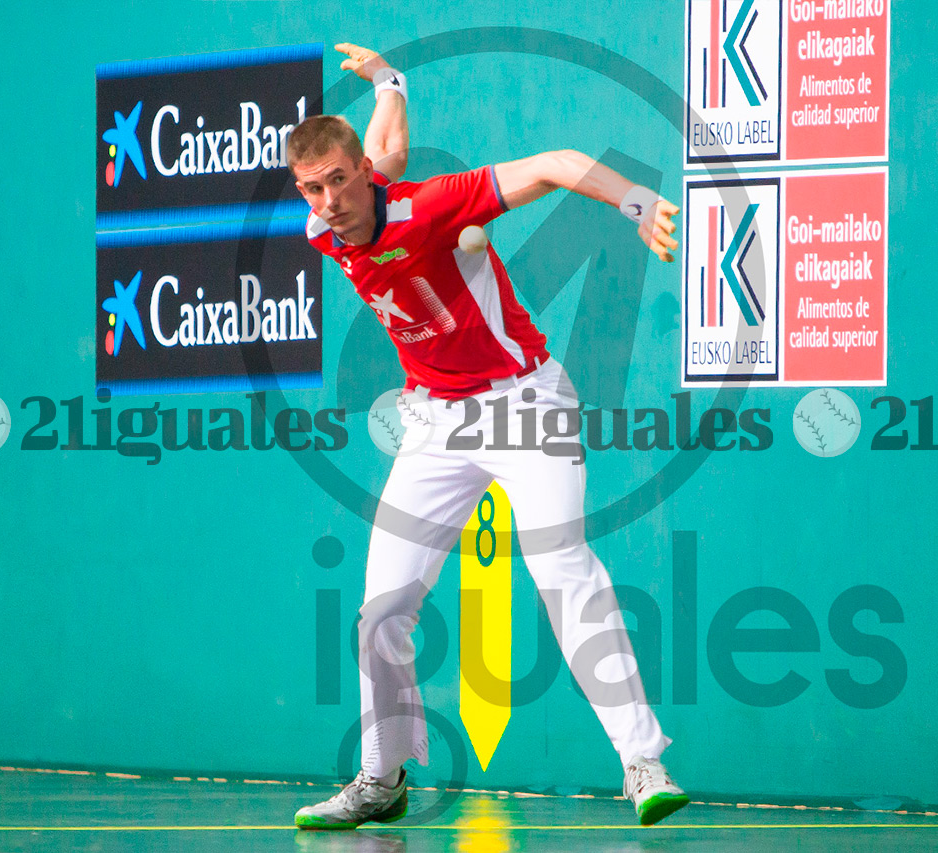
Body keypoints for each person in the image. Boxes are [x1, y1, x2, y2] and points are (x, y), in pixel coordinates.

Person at [290, 45, 685, 830]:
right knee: (382, 608)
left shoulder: (432, 206)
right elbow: (388, 144)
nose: (330, 199)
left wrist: (633, 199)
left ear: (360, 175)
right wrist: (389, 85)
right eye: (313, 187)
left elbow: (557, 162)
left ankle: (643, 761)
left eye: (340, 180)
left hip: (525, 405)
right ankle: (381, 778)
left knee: (561, 565)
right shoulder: (325, 227)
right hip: (436, 420)